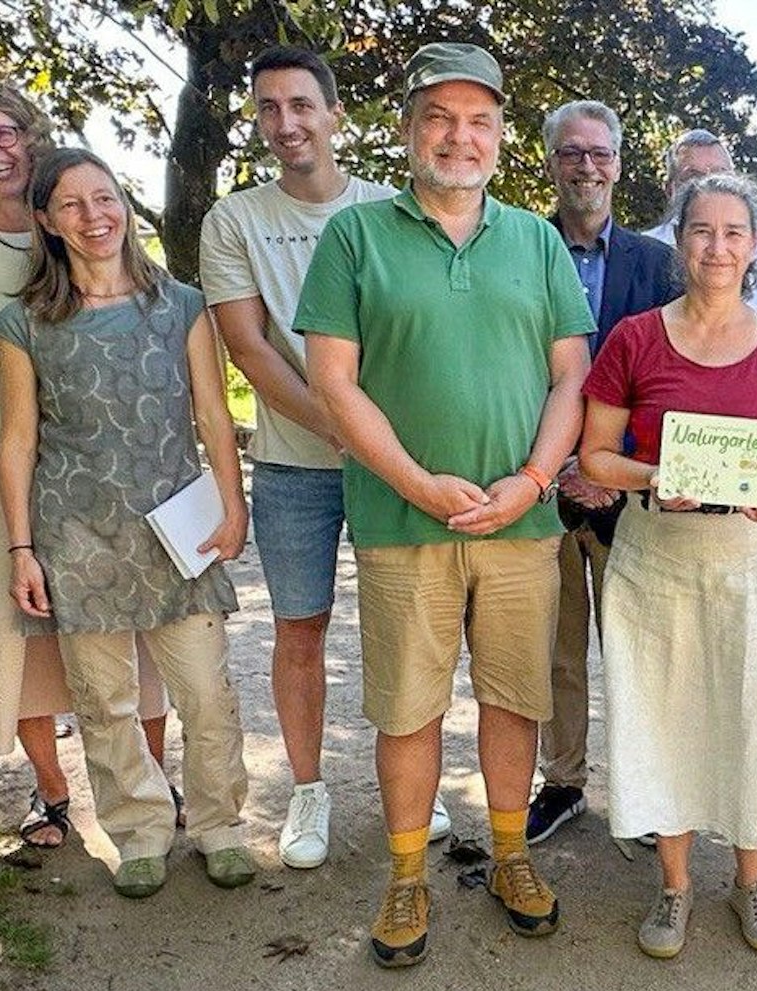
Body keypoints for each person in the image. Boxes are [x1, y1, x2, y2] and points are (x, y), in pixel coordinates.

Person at [297, 43, 594, 966]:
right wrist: (416, 483)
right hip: (400, 522)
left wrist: (533, 482)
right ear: (407, 129)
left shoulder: (537, 241)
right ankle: (405, 876)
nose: (458, 138)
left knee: (512, 700)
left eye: (478, 121)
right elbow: (333, 383)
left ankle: (510, 855)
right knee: (406, 709)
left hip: (522, 524)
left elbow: (570, 376)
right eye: (439, 118)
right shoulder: (354, 237)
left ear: (500, 136)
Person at [198, 46, 452, 871]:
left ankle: (416, 784)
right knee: (299, 628)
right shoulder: (233, 221)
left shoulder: (393, 207)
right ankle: (308, 790)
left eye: (301, 105)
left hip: (398, 461)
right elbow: (252, 352)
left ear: (334, 115)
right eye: (268, 109)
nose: (286, 124)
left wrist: (381, 446)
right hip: (293, 466)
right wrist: (343, 428)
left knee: (407, 628)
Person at [579, 172, 757, 960]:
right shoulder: (633, 338)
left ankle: (750, 881)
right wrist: (660, 476)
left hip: (752, 567)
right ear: (680, 241)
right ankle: (673, 887)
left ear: (753, 246)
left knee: (748, 718)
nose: (717, 246)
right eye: (701, 231)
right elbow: (594, 456)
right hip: (657, 562)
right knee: (666, 719)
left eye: (732, 232)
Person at [0, 82, 169, 851]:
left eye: (4, 132)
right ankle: (54, 793)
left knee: (138, 631)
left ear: (32, 135)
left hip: (103, 463)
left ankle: (152, 783)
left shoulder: (90, 227)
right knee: (17, 636)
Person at [0, 148, 252, 899]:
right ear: (46, 220)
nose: (93, 217)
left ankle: (218, 826)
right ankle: (137, 832)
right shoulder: (25, 324)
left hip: (180, 530)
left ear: (125, 206)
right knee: (104, 702)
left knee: (204, 692)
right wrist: (21, 550)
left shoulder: (182, 304)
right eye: (71, 205)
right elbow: (19, 440)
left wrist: (233, 506)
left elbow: (212, 414)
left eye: (104, 199)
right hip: (76, 535)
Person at [526, 98, 681, 845]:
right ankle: (562, 783)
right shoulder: (518, 248)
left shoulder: (660, 263)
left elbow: (674, 377)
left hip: (632, 492)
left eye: (600, 153)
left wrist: (617, 471)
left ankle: (645, 789)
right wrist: (558, 467)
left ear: (619, 164)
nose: (587, 167)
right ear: (549, 162)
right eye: (571, 153)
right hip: (542, 487)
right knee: (554, 651)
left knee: (636, 652)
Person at [642, 129, 757, 326]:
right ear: (670, 189)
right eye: (693, 176)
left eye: (720, 175)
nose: (708, 185)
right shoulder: (641, 254)